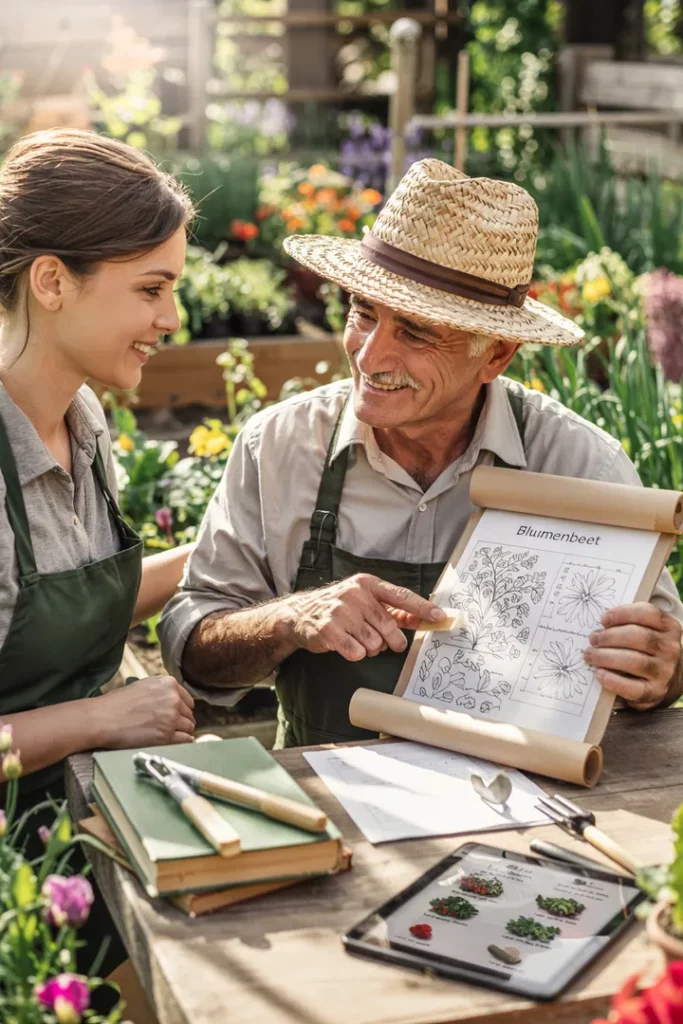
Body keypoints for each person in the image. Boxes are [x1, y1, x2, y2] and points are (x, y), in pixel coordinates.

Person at [158, 159, 683, 748]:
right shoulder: (279, 445)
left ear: (496, 356)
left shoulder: (581, 464)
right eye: (363, 314)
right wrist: (290, 619)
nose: (369, 356)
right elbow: (193, 649)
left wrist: (660, 668)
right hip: (331, 800)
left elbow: (663, 668)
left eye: (414, 332)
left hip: (523, 803)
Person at [0, 129, 197, 972]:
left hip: (70, 846)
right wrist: (102, 717)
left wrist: (229, 549)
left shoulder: (84, 422)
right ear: (52, 281)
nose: (170, 319)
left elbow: (73, 597)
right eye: (150, 289)